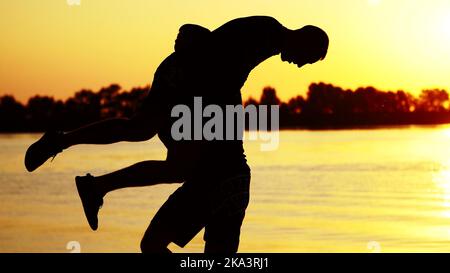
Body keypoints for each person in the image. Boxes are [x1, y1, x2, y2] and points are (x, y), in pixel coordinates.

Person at [24, 16, 329, 253]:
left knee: (147, 136)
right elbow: (213, 52)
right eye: (309, 58)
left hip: (186, 83)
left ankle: (72, 155)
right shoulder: (267, 34)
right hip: (183, 80)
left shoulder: (268, 39)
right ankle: (89, 176)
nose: (302, 65)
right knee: (170, 158)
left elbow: (218, 52)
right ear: (306, 40)